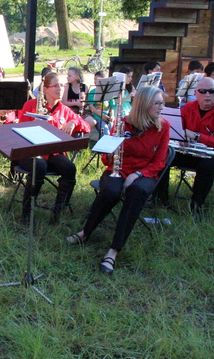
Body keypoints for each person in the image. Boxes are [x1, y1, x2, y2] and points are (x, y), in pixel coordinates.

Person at [66, 86, 171, 275]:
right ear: (144, 105)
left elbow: (160, 162)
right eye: (157, 103)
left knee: (137, 192)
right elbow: (107, 158)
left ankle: (113, 251)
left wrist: (137, 175)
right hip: (118, 170)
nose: (161, 107)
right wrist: (111, 152)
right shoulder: (123, 123)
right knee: (111, 192)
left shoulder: (163, 126)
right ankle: (86, 232)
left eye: (162, 103)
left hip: (144, 174)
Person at [156, 77, 214, 216]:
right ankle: (160, 200)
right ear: (195, 93)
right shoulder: (187, 108)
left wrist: (198, 137)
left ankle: (196, 206)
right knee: (164, 155)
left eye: (211, 91)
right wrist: (182, 138)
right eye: (203, 91)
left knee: (207, 166)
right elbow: (179, 131)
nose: (207, 95)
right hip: (194, 153)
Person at [17, 73, 91, 223]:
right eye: (56, 86)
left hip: (52, 152)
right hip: (29, 151)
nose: (60, 89)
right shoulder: (31, 105)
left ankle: (58, 213)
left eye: (62, 85)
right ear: (45, 89)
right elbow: (18, 130)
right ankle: (27, 213)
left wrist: (73, 123)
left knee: (70, 168)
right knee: (39, 165)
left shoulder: (64, 109)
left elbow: (86, 126)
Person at [86, 71, 111, 138]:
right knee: (105, 131)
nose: (95, 81)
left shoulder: (109, 92)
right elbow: (91, 107)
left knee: (112, 130)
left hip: (107, 117)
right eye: (94, 79)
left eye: (98, 79)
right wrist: (102, 116)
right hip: (97, 117)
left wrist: (112, 117)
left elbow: (112, 105)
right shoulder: (92, 92)